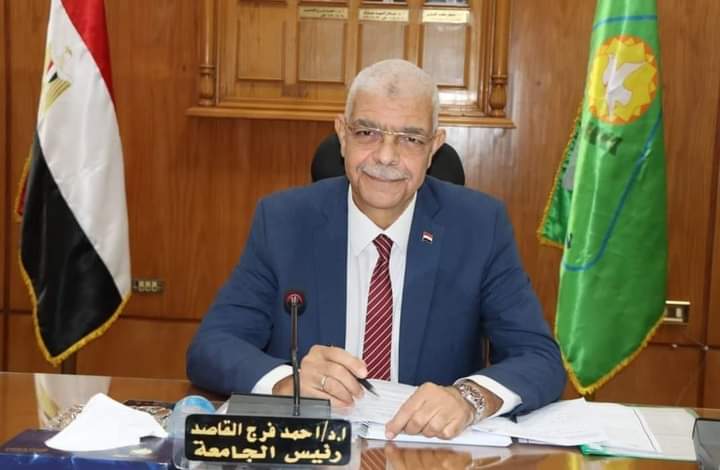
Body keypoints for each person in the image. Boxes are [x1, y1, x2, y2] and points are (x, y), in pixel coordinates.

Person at [186, 59, 565, 440]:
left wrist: (469, 398)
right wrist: (288, 381)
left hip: (430, 452)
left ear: (434, 147)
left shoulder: (479, 226)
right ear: (342, 134)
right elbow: (212, 345)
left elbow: (538, 357)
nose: (385, 157)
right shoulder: (284, 220)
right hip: (315, 449)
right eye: (367, 133)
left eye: (410, 139)